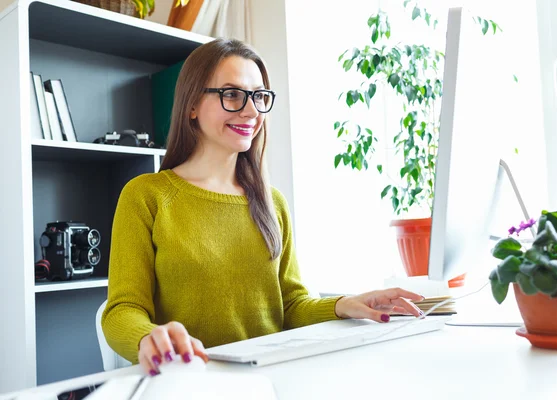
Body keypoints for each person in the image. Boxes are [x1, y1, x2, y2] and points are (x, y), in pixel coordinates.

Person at [101, 38, 425, 376]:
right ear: (192, 104)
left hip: (269, 378)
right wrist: (149, 337)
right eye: (232, 94)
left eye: (259, 96)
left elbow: (291, 306)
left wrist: (345, 305)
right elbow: (122, 311)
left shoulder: (273, 203)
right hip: (188, 380)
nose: (251, 111)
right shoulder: (146, 196)